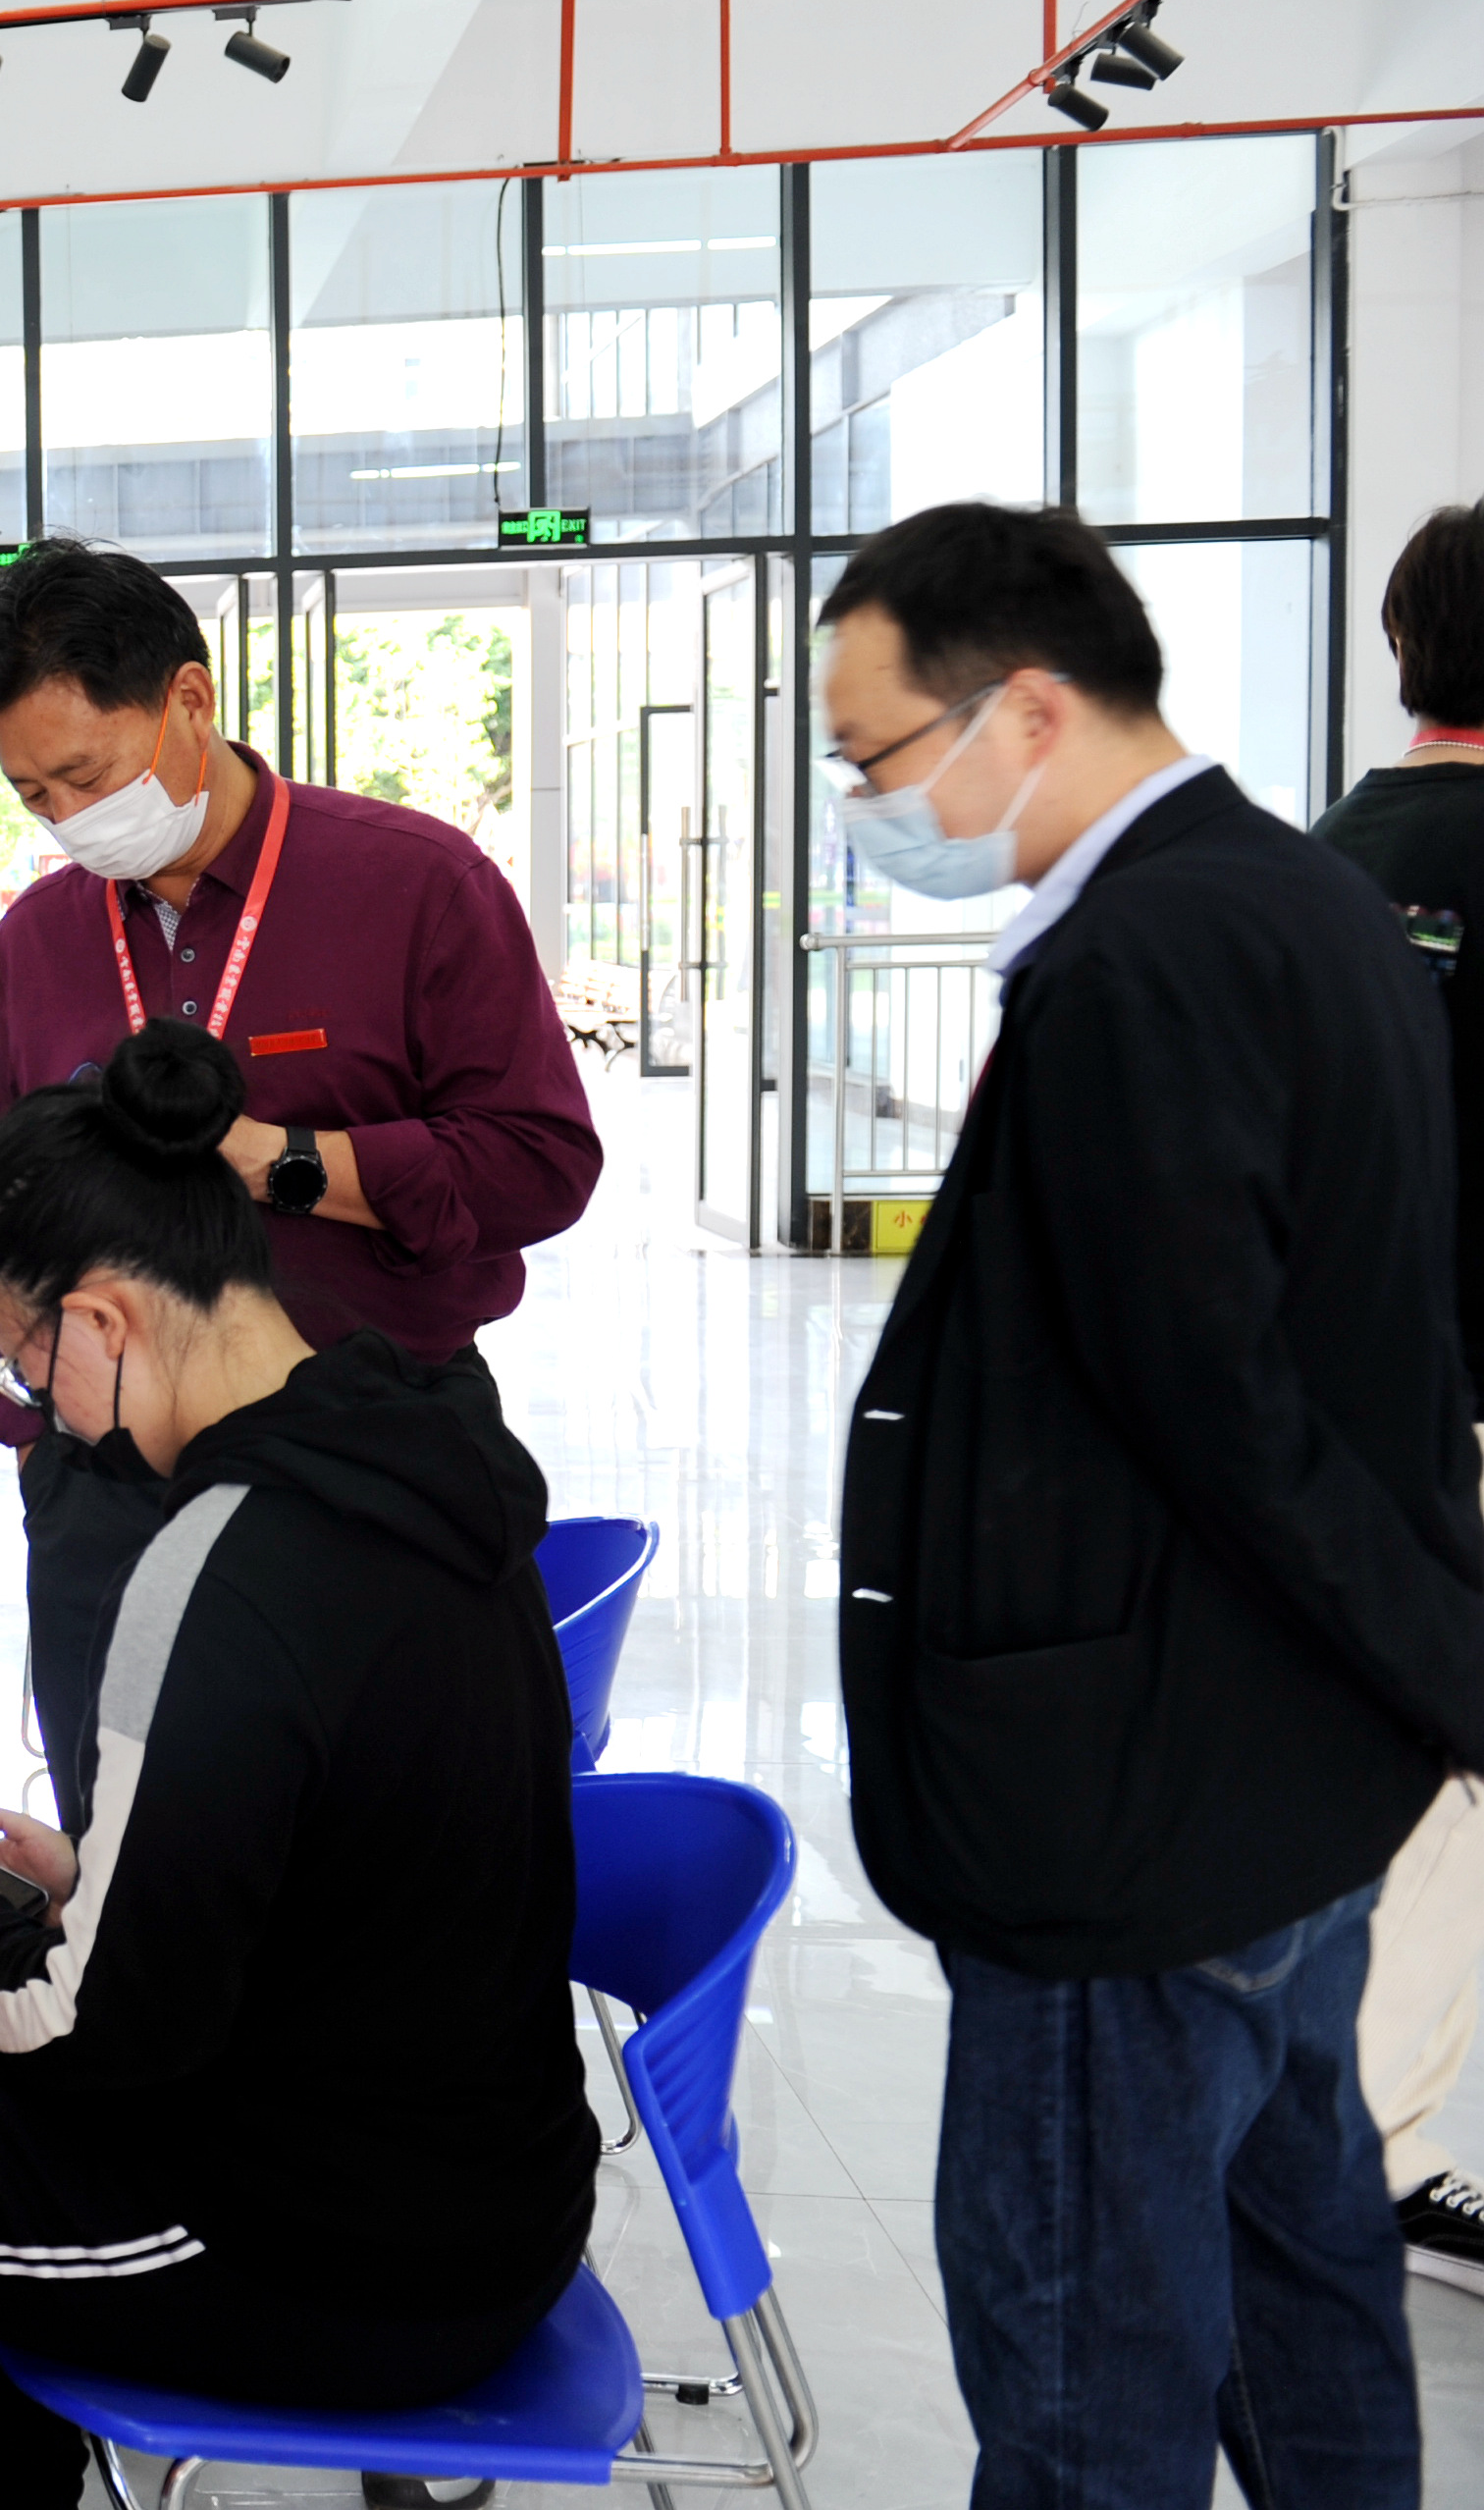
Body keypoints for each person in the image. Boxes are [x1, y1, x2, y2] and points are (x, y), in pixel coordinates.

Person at [824, 501, 1484, 2502]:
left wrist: (1443, 1665)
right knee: (1301, 2290)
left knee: (1084, 2378)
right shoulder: (1298, 897)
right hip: (1288, 1782)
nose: (868, 804)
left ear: (1027, 707)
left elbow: (1223, 1410)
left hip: (1135, 1816)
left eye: (874, 753)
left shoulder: (1144, 960)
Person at [0, 1024, 591, 2510]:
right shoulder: (425, 1461)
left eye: (21, 1357)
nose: (34, 1401)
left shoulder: (211, 1564)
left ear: (104, 1318)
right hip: (495, 2188)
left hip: (329, 2250)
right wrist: (98, 1872)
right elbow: (355, 1838)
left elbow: (93, 2030)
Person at [0, 541, 599, 1824]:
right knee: (122, 1855)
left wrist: (288, 1161)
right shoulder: (37, 943)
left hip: (371, 1467)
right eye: (32, 794)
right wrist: (38, 1423)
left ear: (190, 700)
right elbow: (4, 1214)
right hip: (116, 1482)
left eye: (87, 774)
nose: (68, 817)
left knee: (365, 1858)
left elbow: (541, 1162)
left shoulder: (415, 885)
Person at [1305, 502, 1484, 2303]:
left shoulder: (1322, 854)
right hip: (1464, 1410)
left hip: (1337, 1403)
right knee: (1448, 1794)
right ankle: (1369, 2160)